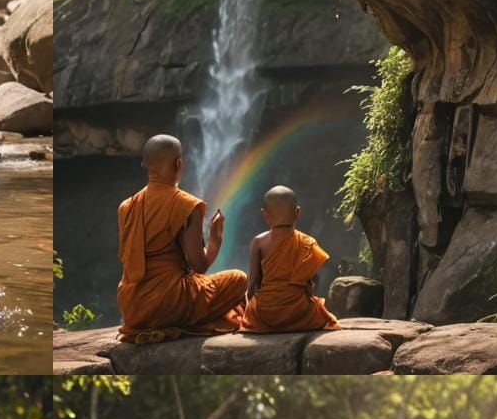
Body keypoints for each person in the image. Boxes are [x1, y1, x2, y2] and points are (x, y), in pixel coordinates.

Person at [116, 136, 247, 343]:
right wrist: (215, 241)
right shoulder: (186, 205)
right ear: (179, 163)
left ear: (145, 165)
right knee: (238, 278)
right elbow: (199, 265)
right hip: (169, 302)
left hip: (132, 307)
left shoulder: (126, 207)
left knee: (198, 283)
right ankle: (182, 320)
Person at [237, 189, 339, 334]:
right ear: (297, 212)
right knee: (319, 307)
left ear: (265, 215)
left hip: (265, 313)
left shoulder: (258, 242)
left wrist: (251, 308)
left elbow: (253, 285)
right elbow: (308, 286)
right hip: (298, 314)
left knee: (243, 309)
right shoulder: (307, 242)